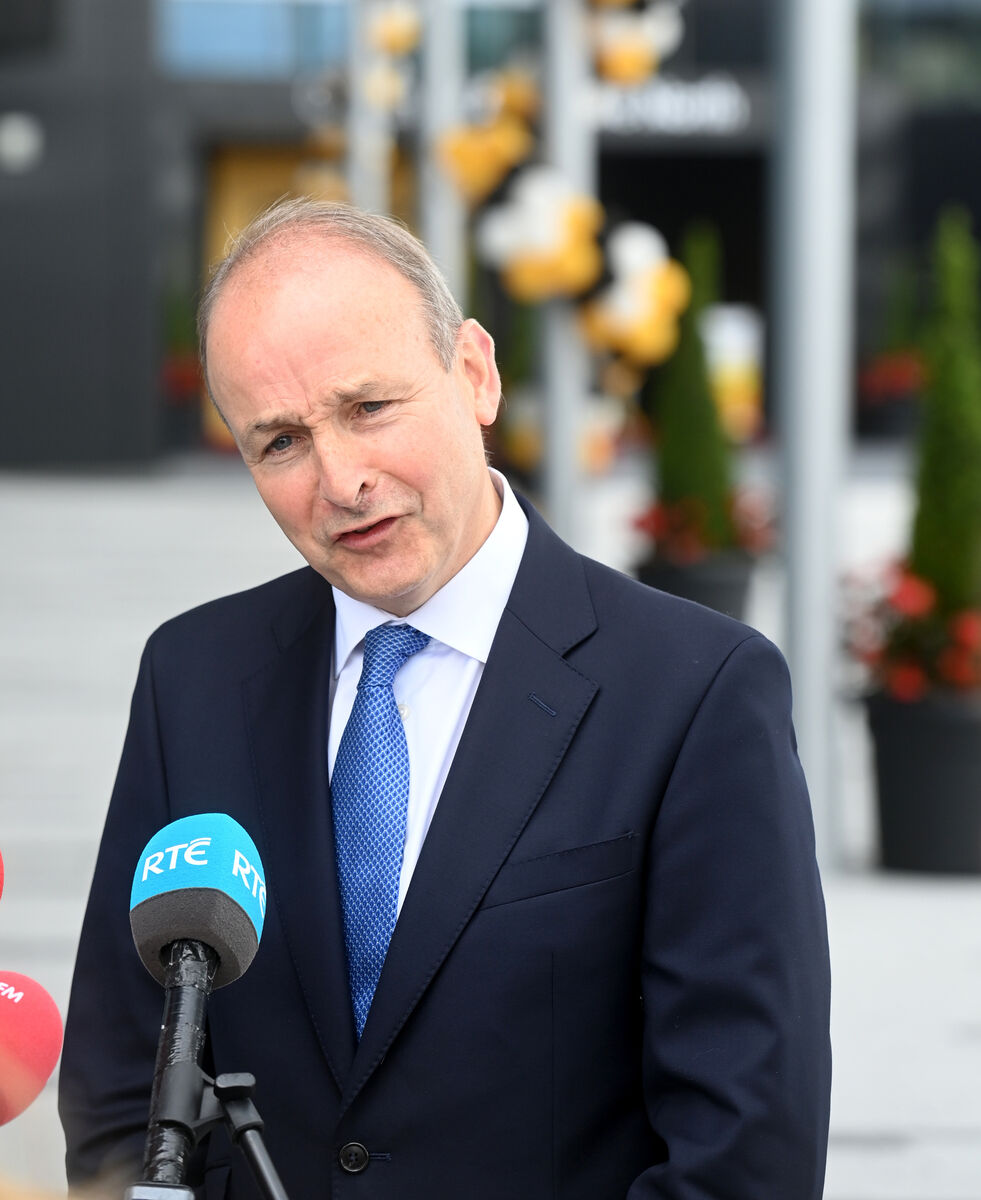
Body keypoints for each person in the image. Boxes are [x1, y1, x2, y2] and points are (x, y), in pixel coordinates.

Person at [59, 198, 831, 1199]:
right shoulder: (192, 678)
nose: (341, 480)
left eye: (368, 408)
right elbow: (122, 1088)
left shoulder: (697, 693)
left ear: (475, 373)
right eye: (280, 442)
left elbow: (742, 1154)